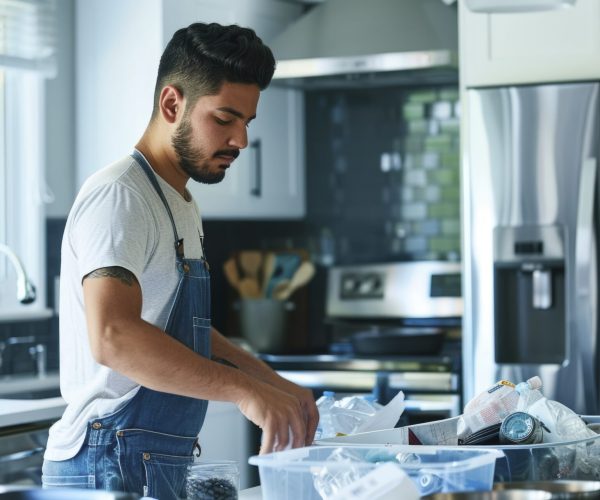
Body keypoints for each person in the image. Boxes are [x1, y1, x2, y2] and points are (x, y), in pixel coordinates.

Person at [41, 22, 318, 499]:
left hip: (143, 460)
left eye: (247, 123)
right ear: (173, 104)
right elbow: (115, 337)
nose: (241, 141)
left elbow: (181, 332)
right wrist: (245, 392)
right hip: (105, 463)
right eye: (225, 119)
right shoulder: (120, 197)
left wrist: (270, 381)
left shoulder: (179, 201)